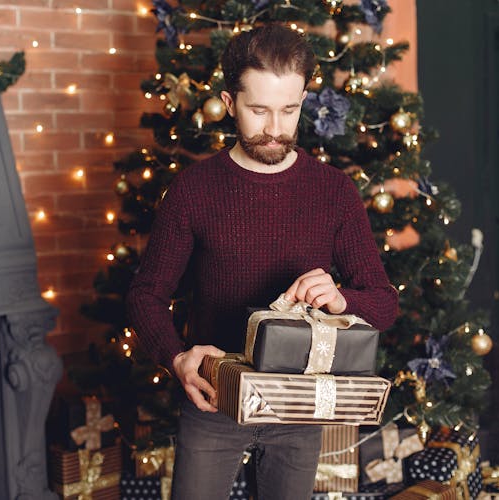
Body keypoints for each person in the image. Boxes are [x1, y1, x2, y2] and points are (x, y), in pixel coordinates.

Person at [126, 23, 398, 500]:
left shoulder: (335, 192)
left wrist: (340, 300)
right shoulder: (193, 190)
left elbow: (384, 303)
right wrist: (177, 359)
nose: (275, 129)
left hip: (299, 409)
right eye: (259, 110)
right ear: (230, 104)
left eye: (289, 110)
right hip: (212, 401)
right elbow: (146, 296)